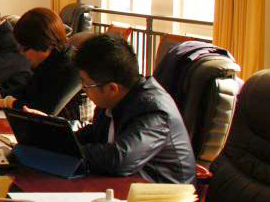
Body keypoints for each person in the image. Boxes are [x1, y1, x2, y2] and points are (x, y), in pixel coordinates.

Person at [71, 35, 195, 183]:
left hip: (163, 193)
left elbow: (120, 160)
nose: (84, 89)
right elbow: (94, 135)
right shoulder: (111, 102)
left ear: (112, 88)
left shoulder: (154, 111)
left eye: (86, 84)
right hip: (127, 185)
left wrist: (70, 151)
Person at [0, 7, 81, 118]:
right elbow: (27, 91)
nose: (23, 54)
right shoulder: (49, 60)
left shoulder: (73, 65)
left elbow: (44, 110)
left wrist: (7, 102)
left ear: (43, 43)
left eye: (25, 48)